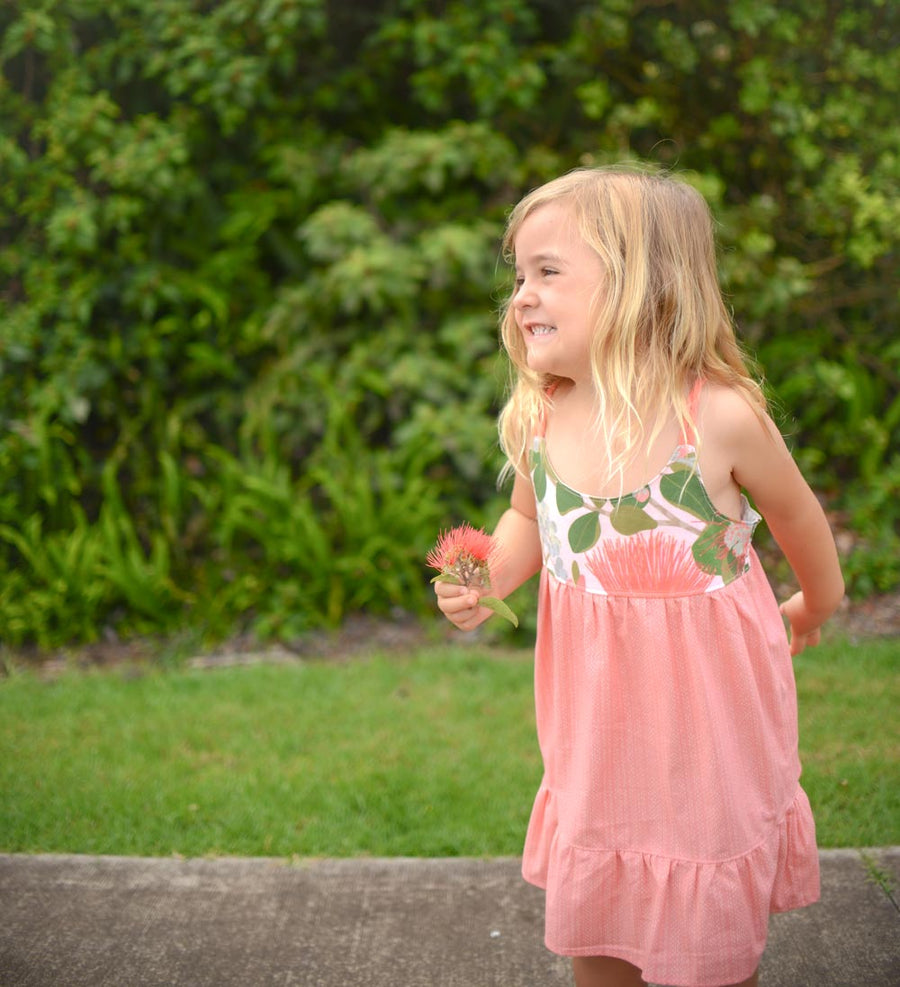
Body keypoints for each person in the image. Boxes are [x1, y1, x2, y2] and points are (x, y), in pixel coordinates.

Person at [434, 167, 844, 987]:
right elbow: (530, 521)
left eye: (549, 272)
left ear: (641, 284)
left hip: (710, 723)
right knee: (602, 915)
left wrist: (816, 603)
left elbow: (800, 521)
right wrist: (491, 576)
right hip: (598, 727)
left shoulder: (717, 417)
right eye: (519, 275)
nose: (521, 296)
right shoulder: (546, 412)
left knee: (710, 913)